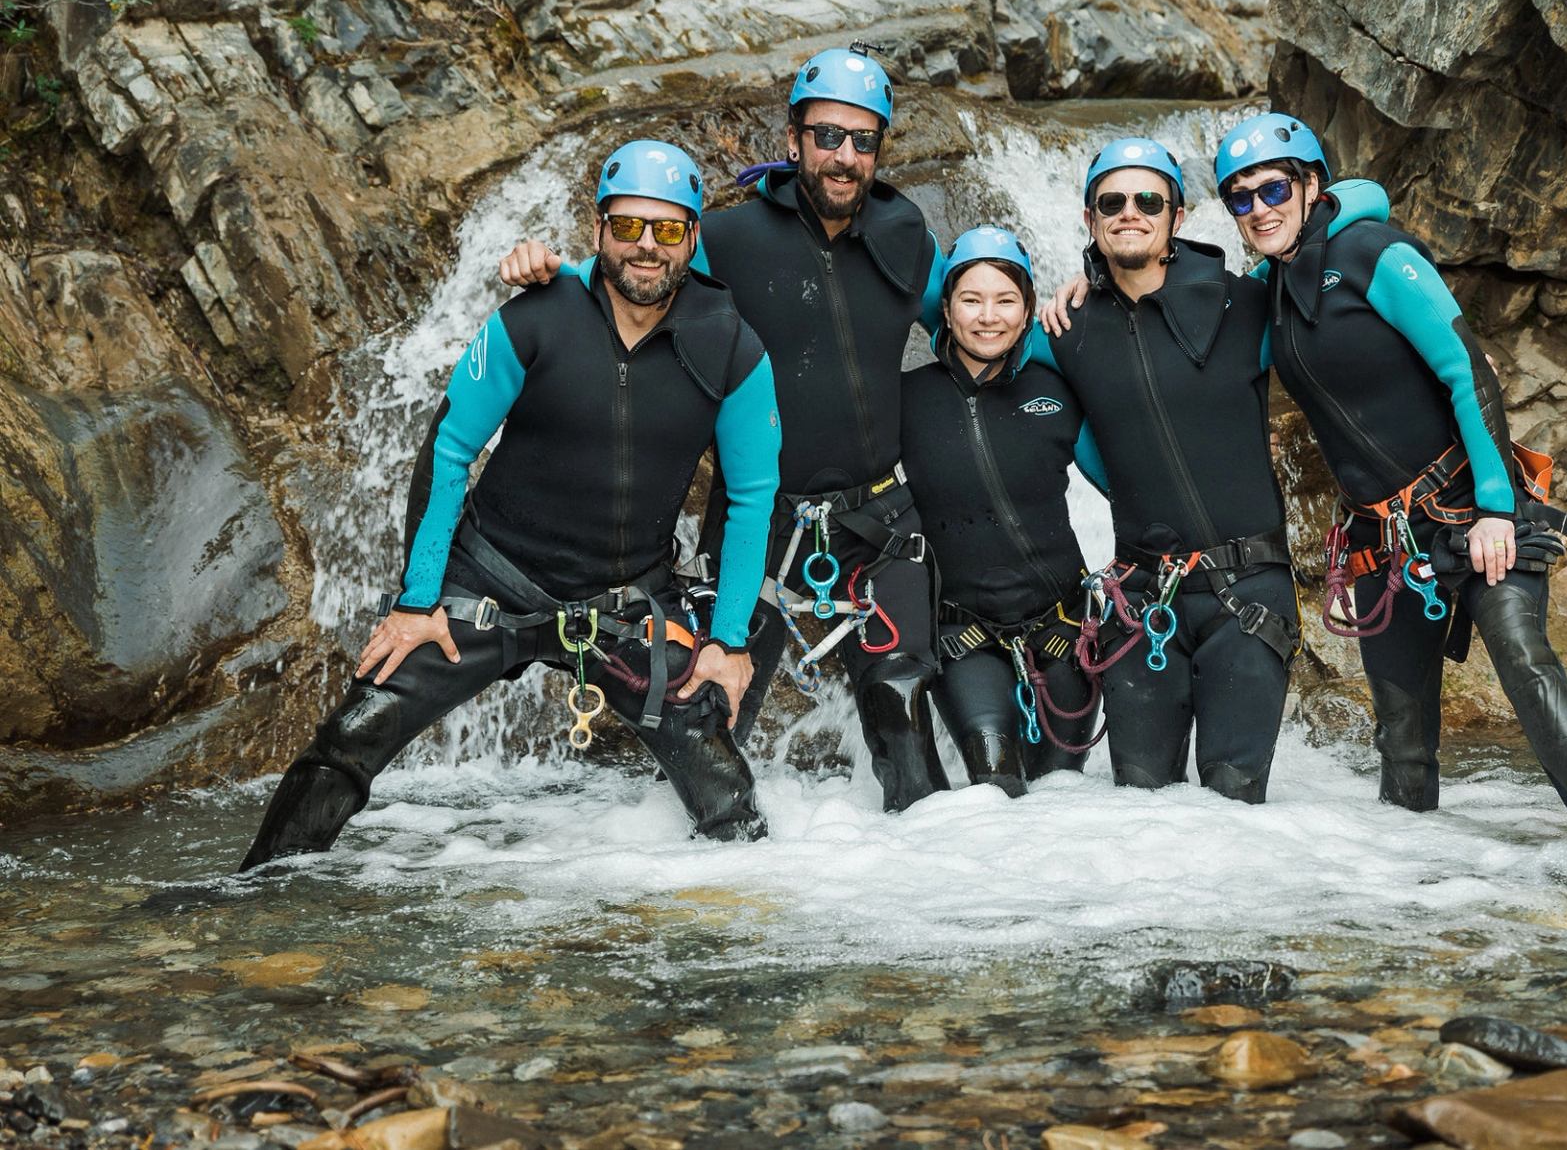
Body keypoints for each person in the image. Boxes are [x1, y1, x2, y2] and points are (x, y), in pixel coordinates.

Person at [238, 139, 781, 870]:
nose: (645, 246)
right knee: (346, 743)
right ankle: (257, 902)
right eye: (627, 227)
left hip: (623, 607)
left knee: (727, 795)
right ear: (596, 229)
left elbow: (751, 499)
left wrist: (730, 643)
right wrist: (417, 599)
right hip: (488, 583)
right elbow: (450, 447)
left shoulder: (733, 350)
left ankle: (729, 942)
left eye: (668, 229)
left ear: (692, 239)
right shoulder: (535, 318)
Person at [495, 44, 951, 813]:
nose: (844, 156)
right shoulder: (730, 239)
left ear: (880, 147)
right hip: (759, 522)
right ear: (794, 137)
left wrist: (1050, 318)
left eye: (862, 139)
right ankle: (711, 894)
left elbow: (978, 332)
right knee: (711, 713)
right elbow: (636, 273)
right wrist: (551, 270)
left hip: (880, 520)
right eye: (827, 135)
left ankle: (937, 902)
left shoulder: (906, 235)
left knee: (902, 711)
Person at [1212, 110, 1567, 892]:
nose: (1258, 209)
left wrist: (1496, 508)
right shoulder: (1265, 295)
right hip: (1383, 539)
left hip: (1466, 508)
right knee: (1403, 731)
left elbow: (1465, 369)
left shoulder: (1377, 253)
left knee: (1525, 660)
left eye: (1272, 188)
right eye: (1239, 199)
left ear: (1310, 184)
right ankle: (1418, 899)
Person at [1028, 139, 1301, 803]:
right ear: (1089, 219)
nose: (1130, 213)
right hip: (1141, 599)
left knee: (1234, 806)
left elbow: (1345, 300)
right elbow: (965, 315)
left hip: (1247, 595)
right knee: (1143, 816)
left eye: (1148, 200)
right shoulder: (1063, 329)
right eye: (1111, 202)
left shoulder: (1246, 304)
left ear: (1177, 216)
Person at [900, 226, 1110, 795]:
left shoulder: (1059, 391)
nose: (987, 316)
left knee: (1062, 796)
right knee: (995, 790)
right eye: (971, 299)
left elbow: (1123, 485)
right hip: (964, 637)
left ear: (1027, 312)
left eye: (1005, 300)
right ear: (945, 309)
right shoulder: (904, 400)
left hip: (1065, 630)